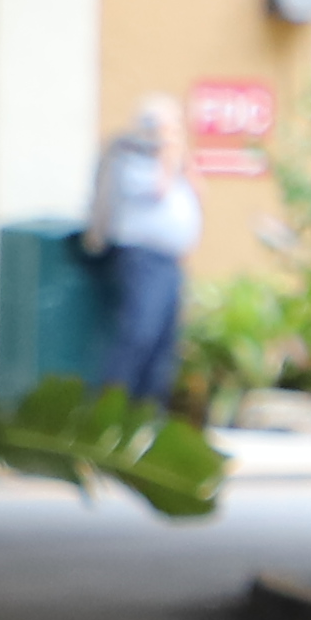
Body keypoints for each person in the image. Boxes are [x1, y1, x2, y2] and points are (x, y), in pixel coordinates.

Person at [82, 95, 203, 411]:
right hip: (142, 258)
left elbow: (195, 191)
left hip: (169, 261)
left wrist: (183, 160)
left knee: (164, 341)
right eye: (170, 127)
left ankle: (150, 412)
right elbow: (157, 190)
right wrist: (166, 154)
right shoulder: (131, 156)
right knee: (139, 333)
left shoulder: (174, 162)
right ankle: (110, 406)